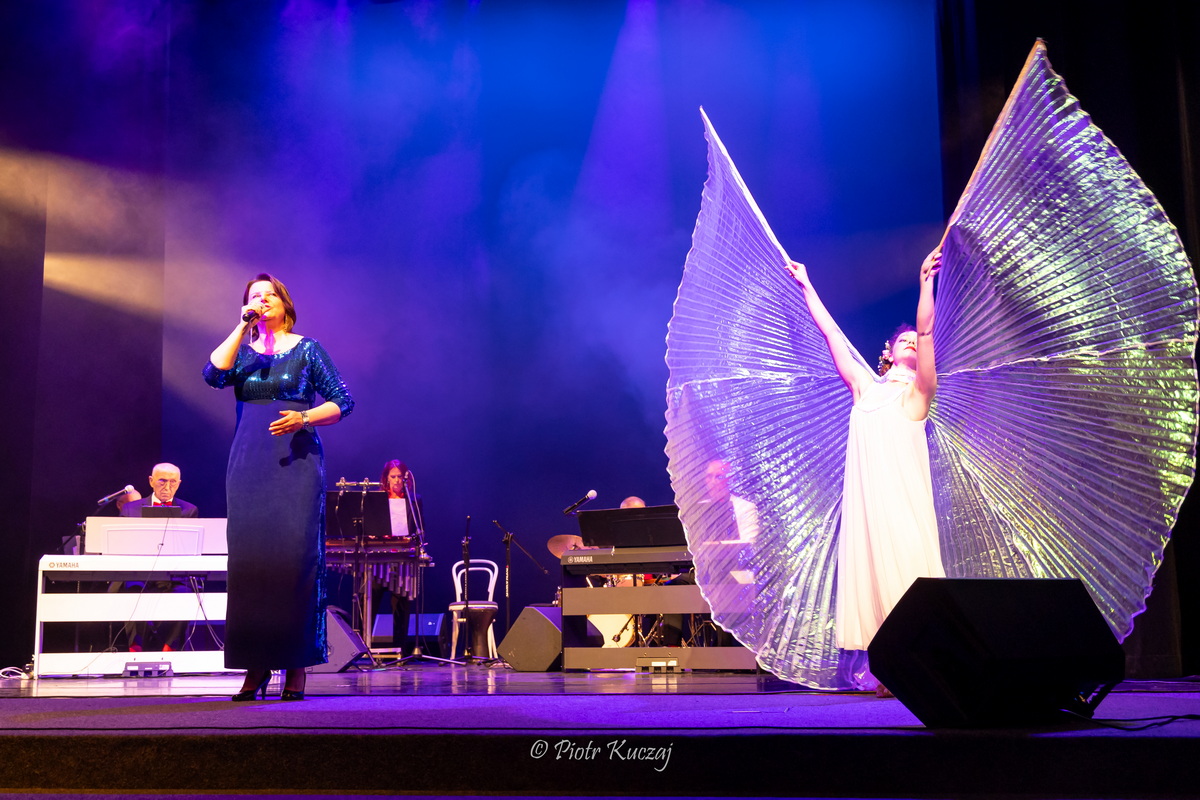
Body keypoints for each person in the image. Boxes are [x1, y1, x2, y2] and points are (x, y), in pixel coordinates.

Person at [787, 246, 945, 695]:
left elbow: (926, 329)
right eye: (902, 340)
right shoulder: (865, 390)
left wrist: (925, 283)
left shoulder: (919, 393)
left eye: (915, 341)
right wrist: (807, 285)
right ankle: (890, 669)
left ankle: (921, 665)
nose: (911, 341)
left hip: (905, 508)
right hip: (869, 511)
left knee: (910, 579)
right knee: (873, 580)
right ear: (888, 352)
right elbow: (831, 333)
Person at [204, 273, 354, 701]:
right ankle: (255, 667)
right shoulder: (242, 352)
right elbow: (213, 374)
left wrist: (304, 417)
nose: (262, 300)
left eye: (269, 295)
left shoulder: (308, 349)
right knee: (251, 567)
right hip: (248, 468)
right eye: (255, 296)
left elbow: (343, 401)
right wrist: (241, 326)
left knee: (293, 564)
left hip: (296, 467)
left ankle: (295, 666)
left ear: (285, 304)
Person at [380, 459, 424, 652]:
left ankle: (400, 650)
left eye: (400, 477)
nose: (397, 480)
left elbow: (420, 527)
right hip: (379, 557)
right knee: (368, 600)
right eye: (393, 477)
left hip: (403, 557)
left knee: (401, 604)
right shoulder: (378, 499)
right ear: (386, 479)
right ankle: (363, 649)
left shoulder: (414, 500)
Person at [120, 463, 198, 517]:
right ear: (151, 481)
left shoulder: (189, 510)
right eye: (162, 481)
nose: (167, 487)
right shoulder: (130, 509)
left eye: (172, 482)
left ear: (178, 484)